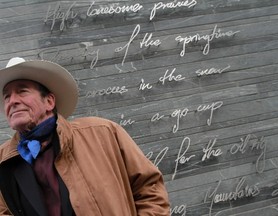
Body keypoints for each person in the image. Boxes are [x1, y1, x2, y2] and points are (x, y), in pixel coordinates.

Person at [0, 57, 170, 216]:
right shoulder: (2, 160)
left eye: (22, 91)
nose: (12, 101)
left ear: (49, 102)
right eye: (7, 96)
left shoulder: (103, 132)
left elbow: (149, 189)